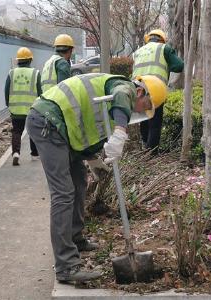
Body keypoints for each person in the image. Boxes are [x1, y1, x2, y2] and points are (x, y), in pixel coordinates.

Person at [26, 73, 167, 282]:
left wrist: (92, 159)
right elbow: (121, 96)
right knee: (63, 193)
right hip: (47, 122)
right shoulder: (123, 87)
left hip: (60, 127)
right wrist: (120, 132)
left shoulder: (110, 97)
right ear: (139, 92)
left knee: (79, 180)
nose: (141, 111)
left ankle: (76, 238)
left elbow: (84, 125)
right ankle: (66, 266)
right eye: (145, 105)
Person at [132, 29, 184, 152]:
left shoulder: (138, 51)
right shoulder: (164, 48)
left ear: (148, 39)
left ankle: (145, 146)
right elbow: (179, 66)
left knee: (143, 118)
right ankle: (152, 152)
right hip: (154, 87)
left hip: (137, 87)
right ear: (162, 39)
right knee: (155, 121)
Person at [5, 47, 42, 166]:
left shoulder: (11, 73)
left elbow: (6, 90)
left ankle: (16, 153)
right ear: (30, 60)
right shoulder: (35, 73)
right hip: (32, 109)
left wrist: (8, 104)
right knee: (33, 131)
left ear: (18, 61)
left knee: (16, 131)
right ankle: (35, 154)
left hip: (16, 109)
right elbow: (40, 92)